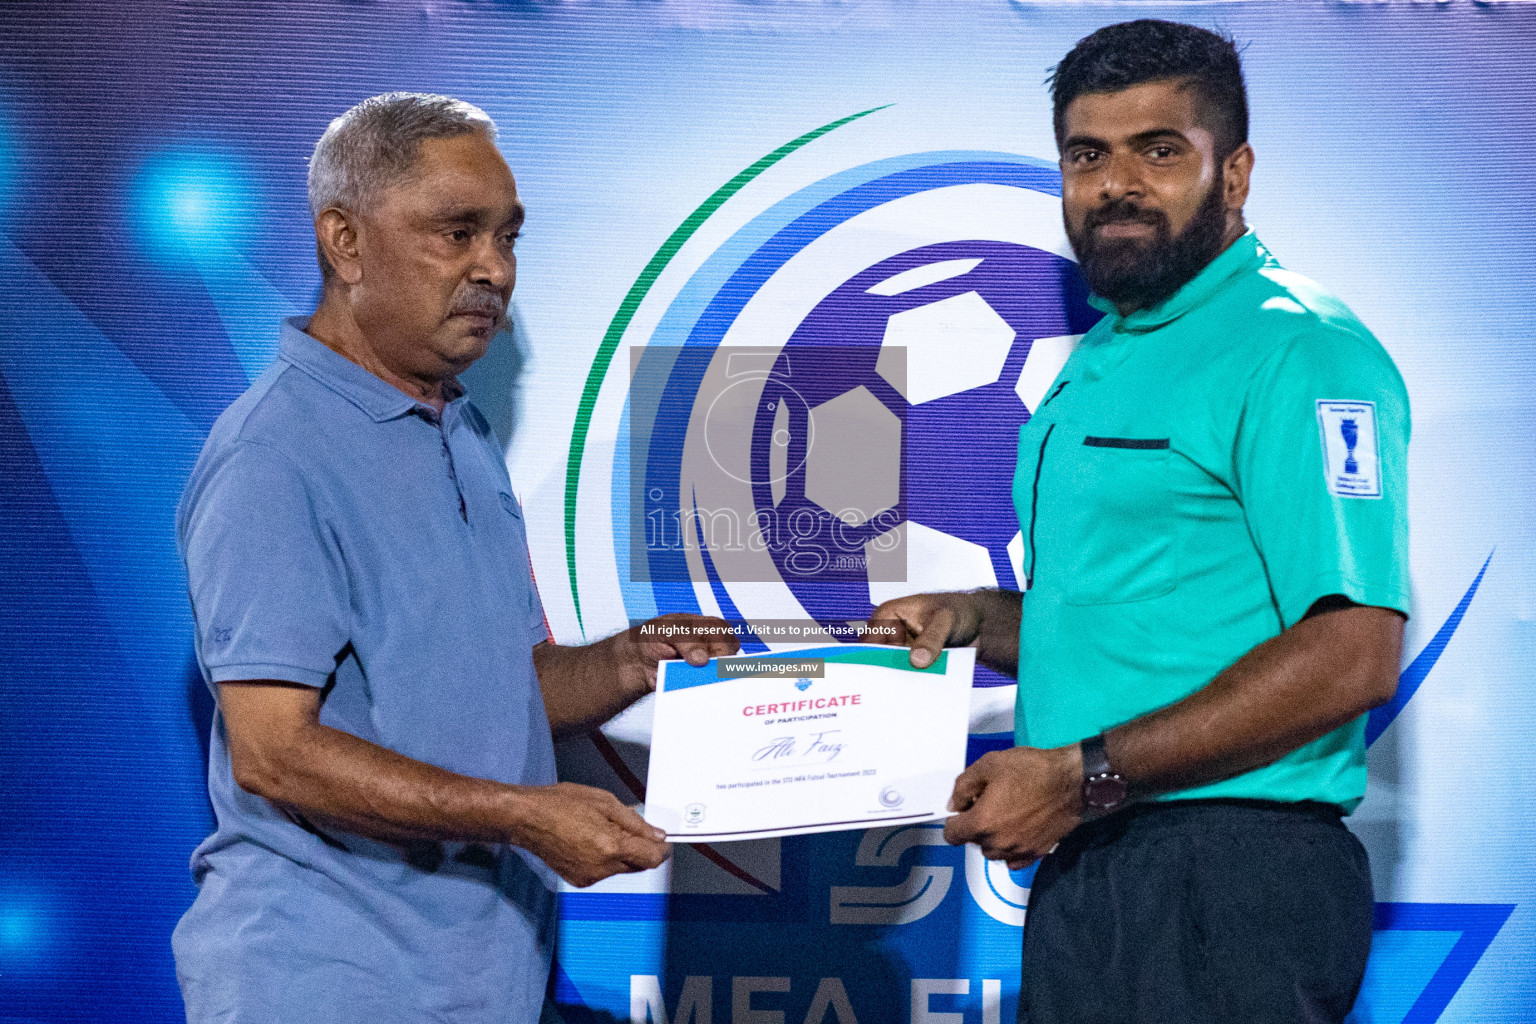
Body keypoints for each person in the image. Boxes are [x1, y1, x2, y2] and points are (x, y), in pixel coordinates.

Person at [872, 20, 1409, 1024]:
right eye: (1088, 154)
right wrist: (966, 619)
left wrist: (1086, 776)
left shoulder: (1299, 351)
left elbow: (1353, 654)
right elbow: (1132, 623)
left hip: (1233, 872)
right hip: (1098, 863)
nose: (1117, 182)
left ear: (1235, 172)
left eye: (1159, 150)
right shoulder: (1104, 356)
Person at [173, 93, 737, 1024]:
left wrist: (630, 660)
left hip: (482, 983)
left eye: (508, 237)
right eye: (457, 233)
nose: (495, 269)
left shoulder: (457, 428)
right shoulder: (271, 458)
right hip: (324, 986)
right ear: (344, 243)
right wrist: (524, 813)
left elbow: (494, 691)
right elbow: (276, 754)